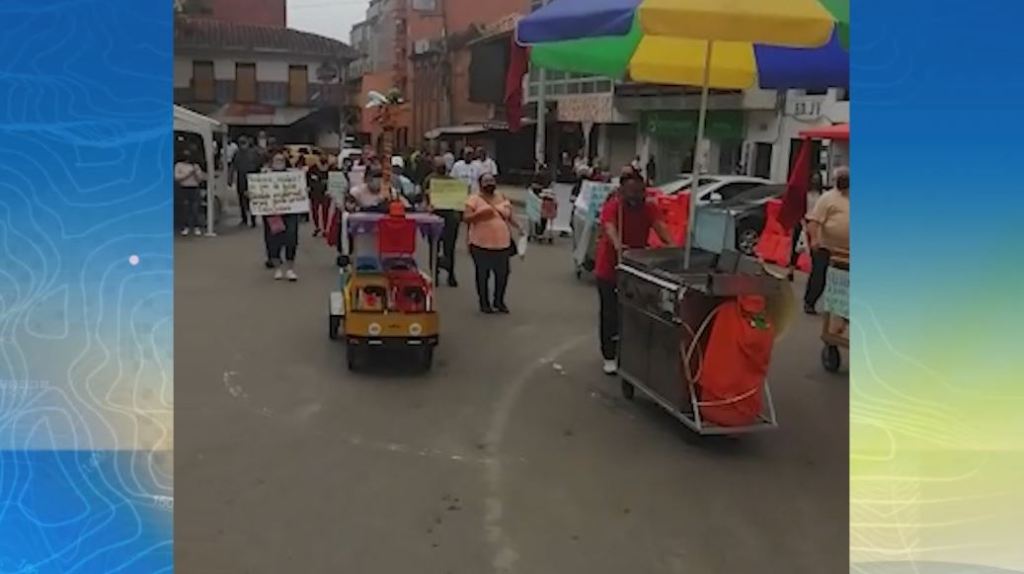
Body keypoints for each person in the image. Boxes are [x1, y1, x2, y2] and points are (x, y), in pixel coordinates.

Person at [594, 168, 673, 375]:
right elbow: (609, 228)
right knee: (610, 314)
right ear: (622, 191)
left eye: (639, 192)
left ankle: (631, 353)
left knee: (635, 314)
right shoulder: (614, 207)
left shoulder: (649, 208)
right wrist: (619, 246)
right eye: (631, 193)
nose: (636, 197)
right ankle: (609, 355)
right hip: (610, 269)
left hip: (635, 268)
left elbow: (660, 227)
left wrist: (673, 247)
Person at [464, 173, 514, 314]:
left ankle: (499, 301)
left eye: (491, 180)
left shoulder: (501, 197)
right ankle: (484, 303)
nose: (489, 183)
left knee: (503, 274)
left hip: (502, 244)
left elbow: (510, 215)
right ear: (480, 185)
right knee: (482, 274)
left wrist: (520, 227)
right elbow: (466, 218)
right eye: (486, 181)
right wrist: (479, 215)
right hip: (480, 244)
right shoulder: (474, 199)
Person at [804, 166, 850, 314]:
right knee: (819, 276)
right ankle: (809, 302)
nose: (844, 181)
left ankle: (837, 310)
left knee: (842, 281)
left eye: (846, 178)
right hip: (826, 246)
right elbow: (813, 221)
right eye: (841, 178)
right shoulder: (827, 198)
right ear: (836, 180)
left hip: (846, 250)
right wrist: (814, 239)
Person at [424, 156, 463, 287]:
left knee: (447, 248)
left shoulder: (451, 181)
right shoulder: (430, 180)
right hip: (436, 217)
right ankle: (437, 274)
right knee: (436, 247)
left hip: (448, 217)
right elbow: (425, 197)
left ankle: (449, 274)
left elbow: (459, 199)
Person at [262, 152, 301, 281]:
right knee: (274, 241)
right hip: (273, 214)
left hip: (290, 212)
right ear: (272, 162)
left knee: (291, 238)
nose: (279, 162)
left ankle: (290, 269)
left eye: (281, 160)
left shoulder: (293, 175)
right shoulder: (265, 176)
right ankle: (278, 268)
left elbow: (300, 189)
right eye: (276, 160)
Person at [787, 173, 823, 282]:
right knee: (796, 248)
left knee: (814, 249)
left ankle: (812, 273)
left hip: (815, 223)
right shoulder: (805, 194)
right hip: (802, 221)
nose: (815, 182)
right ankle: (790, 271)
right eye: (813, 179)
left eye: (817, 180)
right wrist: (802, 221)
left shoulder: (822, 196)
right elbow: (799, 207)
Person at [231, 136, 264, 227]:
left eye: (244, 142)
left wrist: (258, 178)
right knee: (242, 199)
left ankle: (253, 219)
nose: (242, 145)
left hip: (252, 177)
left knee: (252, 199)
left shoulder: (254, 153)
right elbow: (233, 166)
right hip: (241, 177)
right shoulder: (237, 153)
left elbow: (259, 164)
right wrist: (230, 178)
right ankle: (244, 219)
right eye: (241, 143)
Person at [174, 147, 206, 236]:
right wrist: (188, 174)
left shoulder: (195, 166)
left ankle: (196, 226)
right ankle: (185, 226)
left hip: (194, 188)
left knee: (195, 208)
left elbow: (200, 179)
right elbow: (177, 177)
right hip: (183, 188)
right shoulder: (179, 165)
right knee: (185, 208)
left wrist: (196, 173)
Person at [307, 154, 329, 237]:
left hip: (325, 193)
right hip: (314, 193)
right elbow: (308, 178)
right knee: (315, 211)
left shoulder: (331, 168)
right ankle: (317, 227)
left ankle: (325, 229)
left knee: (325, 212)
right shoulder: (313, 168)